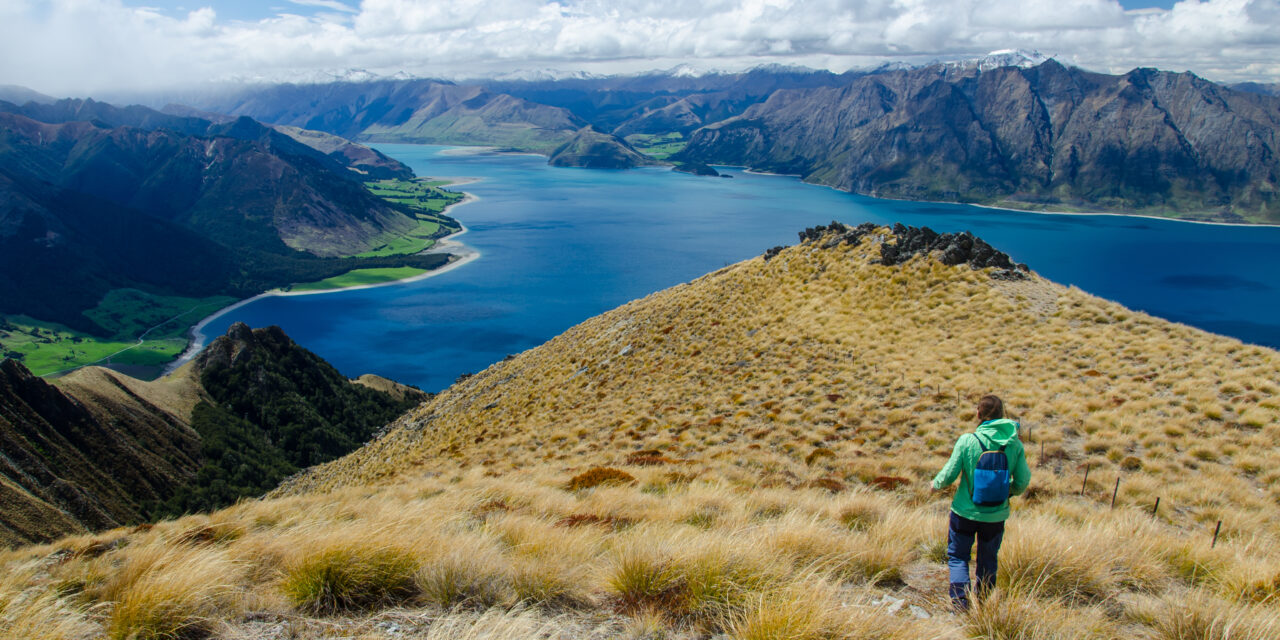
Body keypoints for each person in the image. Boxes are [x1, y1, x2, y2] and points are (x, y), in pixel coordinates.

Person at [931, 394, 1031, 612]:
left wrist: (935, 484)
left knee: (958, 556)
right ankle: (983, 603)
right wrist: (1007, 492)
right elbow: (1023, 481)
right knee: (988, 558)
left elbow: (949, 474)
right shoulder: (1014, 444)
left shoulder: (968, 440)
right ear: (1002, 414)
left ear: (978, 413)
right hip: (996, 515)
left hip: (964, 512)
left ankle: (960, 603)